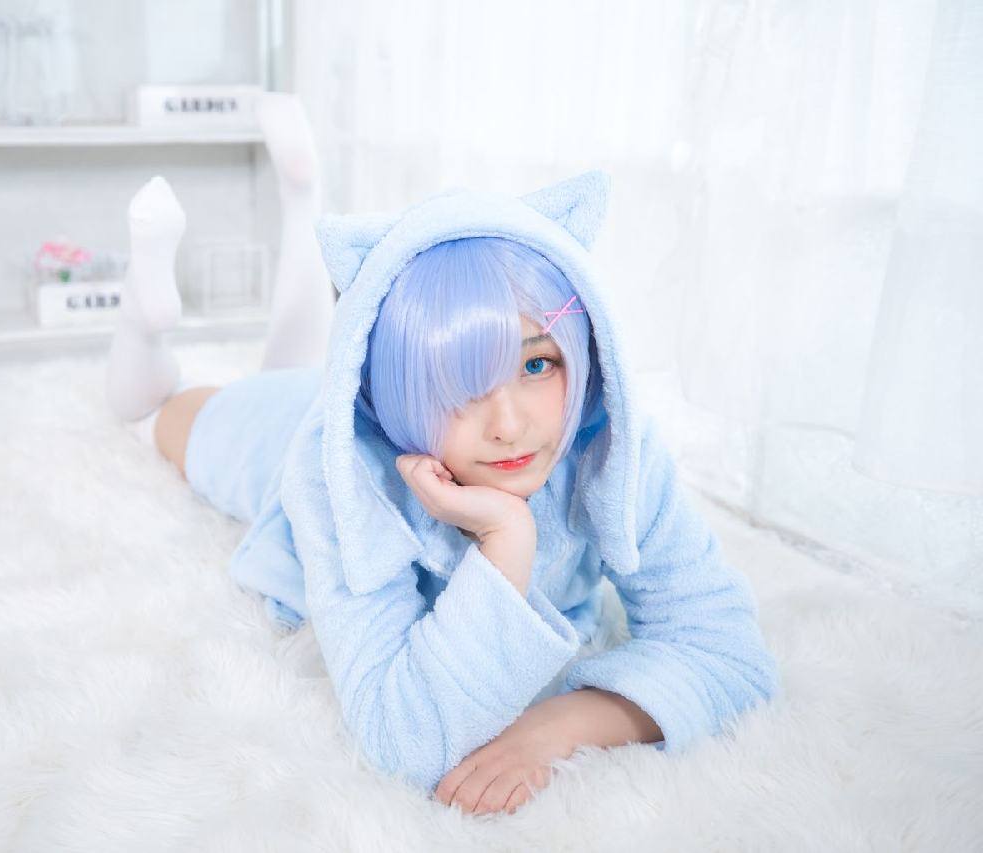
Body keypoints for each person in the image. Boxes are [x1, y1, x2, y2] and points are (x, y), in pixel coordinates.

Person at [107, 164, 780, 817]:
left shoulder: (611, 445)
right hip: (283, 427)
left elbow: (727, 650)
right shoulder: (342, 476)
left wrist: (562, 723)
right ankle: (143, 320)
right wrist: (507, 543)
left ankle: (299, 194)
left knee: (296, 356)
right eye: (458, 382)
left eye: (536, 363)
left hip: (373, 384)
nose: (510, 425)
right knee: (151, 407)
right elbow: (403, 739)